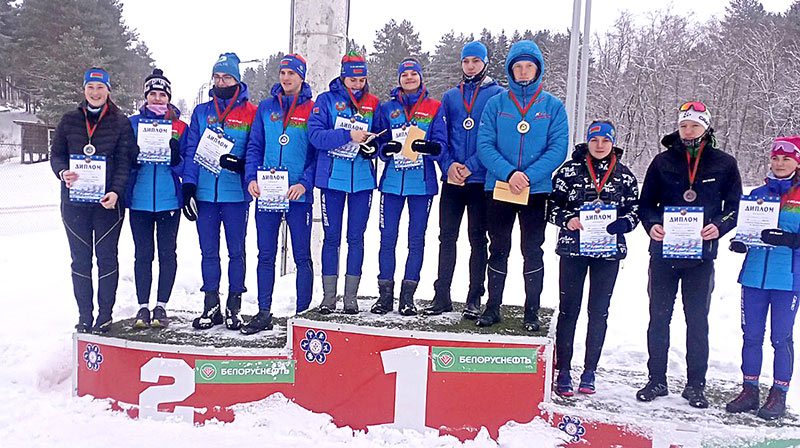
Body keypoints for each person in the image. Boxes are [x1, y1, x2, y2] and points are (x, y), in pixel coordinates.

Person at [636, 101, 742, 408]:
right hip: (664, 254)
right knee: (659, 318)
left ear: (706, 127)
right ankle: (656, 380)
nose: (688, 131)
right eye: (683, 125)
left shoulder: (724, 163)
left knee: (697, 321)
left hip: (700, 256)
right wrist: (653, 225)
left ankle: (696, 385)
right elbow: (646, 205)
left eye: (695, 125)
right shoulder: (662, 161)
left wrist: (719, 227)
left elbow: (734, 208)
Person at [476, 40, 569, 331]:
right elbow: (485, 144)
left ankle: (532, 310)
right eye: (518, 66)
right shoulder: (496, 103)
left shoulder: (552, 106)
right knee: (499, 247)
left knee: (532, 248)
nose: (524, 71)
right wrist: (508, 173)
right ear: (510, 70)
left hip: (536, 190)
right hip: (501, 187)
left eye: (529, 66)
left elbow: (558, 147)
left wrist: (527, 175)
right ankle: (492, 307)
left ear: (538, 69)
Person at [547, 121, 640, 396]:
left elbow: (635, 210)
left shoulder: (624, 176)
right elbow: (551, 206)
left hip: (607, 254)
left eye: (605, 141)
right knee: (568, 310)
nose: (600, 145)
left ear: (613, 144)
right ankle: (563, 370)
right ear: (587, 141)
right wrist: (568, 219)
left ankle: (589, 371)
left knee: (598, 312)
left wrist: (624, 224)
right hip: (572, 250)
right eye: (595, 140)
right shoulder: (568, 171)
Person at [51, 67, 138, 333]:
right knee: (80, 261)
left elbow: (125, 162)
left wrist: (116, 192)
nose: (95, 93)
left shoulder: (120, 122)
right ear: (84, 90)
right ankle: (85, 315)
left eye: (100, 88)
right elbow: (56, 156)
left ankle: (104, 315)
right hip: (74, 203)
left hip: (107, 204)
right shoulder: (69, 120)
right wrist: (62, 172)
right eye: (90, 87)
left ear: (108, 91)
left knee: (107, 259)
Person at [423, 41, 504, 319]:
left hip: (481, 180)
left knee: (478, 238)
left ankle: (474, 297)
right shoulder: (450, 97)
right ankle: (442, 294)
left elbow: (494, 139)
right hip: (453, 180)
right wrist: (448, 165)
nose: (470, 66)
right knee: (446, 237)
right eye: (466, 61)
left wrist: (470, 166)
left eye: (475, 61)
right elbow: (439, 136)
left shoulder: (497, 96)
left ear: (485, 63)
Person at [726, 136, 800, 420]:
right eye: (776, 158)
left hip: (788, 279)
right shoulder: (757, 193)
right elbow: (748, 230)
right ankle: (749, 389)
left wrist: (792, 239)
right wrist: (740, 242)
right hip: (754, 276)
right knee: (751, 336)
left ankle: (778, 393)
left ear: (796, 162)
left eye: (787, 158)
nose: (780, 164)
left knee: (781, 338)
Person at [182, 53, 257, 331]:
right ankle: (210, 305)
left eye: (226, 77)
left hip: (236, 195)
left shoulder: (251, 111)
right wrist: (188, 186)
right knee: (208, 252)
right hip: (205, 194)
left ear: (237, 79)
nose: (221, 81)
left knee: (236, 252)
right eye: (217, 77)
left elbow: (255, 148)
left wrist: (242, 167)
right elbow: (190, 150)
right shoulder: (202, 112)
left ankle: (234, 306)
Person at [242, 54, 316, 334]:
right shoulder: (265, 108)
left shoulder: (313, 109)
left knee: (302, 256)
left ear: (301, 77)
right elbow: (255, 146)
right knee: (265, 254)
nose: (286, 78)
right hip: (268, 192)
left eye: (292, 74)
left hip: (297, 194)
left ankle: (303, 315)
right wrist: (251, 177)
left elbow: (315, 153)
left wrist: (305, 183)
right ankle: (263, 312)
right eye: (283, 72)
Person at [370, 57, 448, 316]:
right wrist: (385, 149)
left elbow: (441, 144)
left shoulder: (434, 107)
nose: (409, 78)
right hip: (392, 184)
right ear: (399, 79)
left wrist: (430, 148)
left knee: (416, 240)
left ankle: (407, 296)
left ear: (420, 77)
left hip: (421, 184)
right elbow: (377, 144)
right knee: (387, 238)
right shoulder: (387, 108)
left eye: (414, 74)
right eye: (405, 75)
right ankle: (384, 295)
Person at [308, 52, 381, 315]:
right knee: (331, 238)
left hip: (362, 181)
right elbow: (316, 136)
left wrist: (373, 149)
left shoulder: (373, 103)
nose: (357, 84)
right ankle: (329, 296)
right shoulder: (325, 101)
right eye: (352, 79)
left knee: (356, 238)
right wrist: (347, 135)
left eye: (361, 79)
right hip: (332, 180)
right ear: (342, 77)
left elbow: (381, 141)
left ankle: (351, 296)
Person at [127, 69, 188, 328]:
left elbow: (189, 166)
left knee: (167, 253)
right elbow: (122, 161)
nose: (157, 98)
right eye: (152, 94)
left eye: (162, 94)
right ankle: (142, 307)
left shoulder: (180, 127)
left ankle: (161, 306)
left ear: (169, 97)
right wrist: (132, 159)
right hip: (139, 200)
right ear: (146, 97)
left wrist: (176, 161)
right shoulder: (131, 124)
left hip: (168, 201)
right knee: (142, 254)